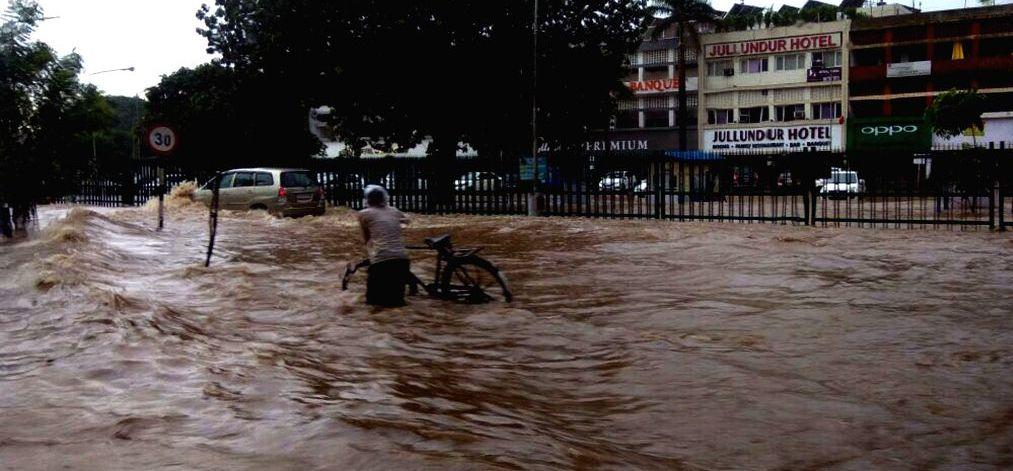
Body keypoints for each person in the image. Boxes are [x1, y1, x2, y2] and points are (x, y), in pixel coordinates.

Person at [357, 185, 410, 307]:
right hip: (402, 259)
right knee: (398, 303)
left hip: (381, 260)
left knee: (372, 303)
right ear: (384, 198)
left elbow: (366, 238)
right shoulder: (394, 211)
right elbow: (407, 220)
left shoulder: (364, 214)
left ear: (368, 199)